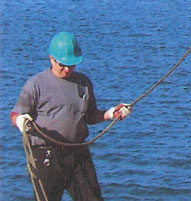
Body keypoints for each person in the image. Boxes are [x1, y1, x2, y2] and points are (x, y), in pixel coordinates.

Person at [9, 32, 131, 201]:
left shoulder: (84, 82)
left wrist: (111, 113)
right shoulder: (35, 84)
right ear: (51, 59)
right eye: (63, 64)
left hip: (78, 154)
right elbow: (15, 115)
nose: (67, 69)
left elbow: (90, 116)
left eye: (72, 65)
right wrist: (20, 121)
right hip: (47, 157)